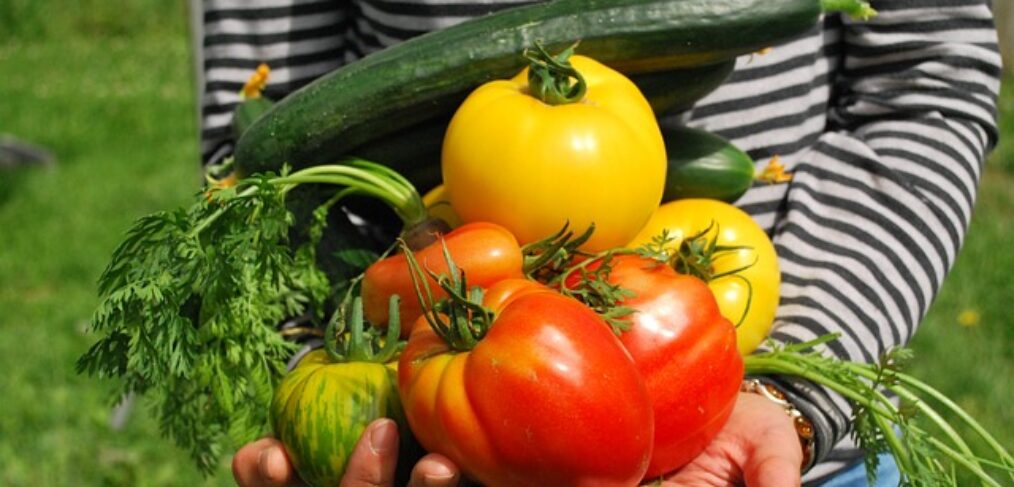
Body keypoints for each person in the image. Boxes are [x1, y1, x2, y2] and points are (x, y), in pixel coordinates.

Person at [191, 0, 1002, 485]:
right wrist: (320, 375)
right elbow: (265, 151)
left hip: (782, 459)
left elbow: (925, 86)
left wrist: (793, 394)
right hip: (431, 442)